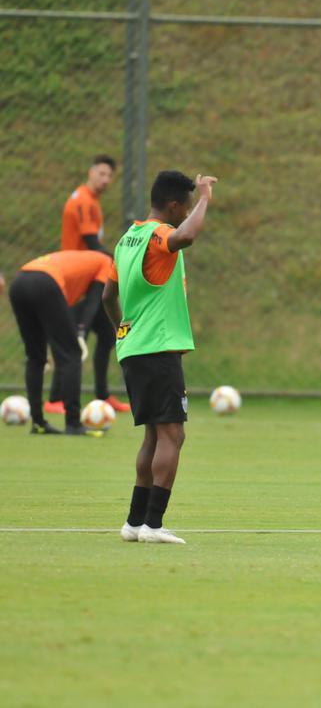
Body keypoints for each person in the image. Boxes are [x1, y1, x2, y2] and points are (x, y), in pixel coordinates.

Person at [103, 170, 217, 545]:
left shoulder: (126, 240)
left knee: (153, 436)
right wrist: (205, 198)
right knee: (173, 434)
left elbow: (108, 297)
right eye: (185, 206)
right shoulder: (158, 235)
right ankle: (153, 525)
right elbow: (186, 235)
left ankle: (135, 523)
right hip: (158, 346)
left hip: (134, 347)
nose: (187, 213)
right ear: (173, 205)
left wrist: (123, 331)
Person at [48, 154, 128, 415]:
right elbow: (91, 242)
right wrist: (120, 259)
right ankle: (54, 399)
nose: (105, 180)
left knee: (107, 335)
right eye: (101, 173)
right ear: (91, 172)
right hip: (74, 280)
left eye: (109, 176)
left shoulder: (92, 201)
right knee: (71, 340)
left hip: (89, 279)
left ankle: (103, 397)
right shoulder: (82, 200)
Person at [7, 250, 112, 435]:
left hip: (19, 281)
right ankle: (73, 424)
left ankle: (38, 423)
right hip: (45, 282)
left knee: (35, 357)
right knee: (71, 355)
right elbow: (94, 302)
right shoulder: (107, 262)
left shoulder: (83, 258)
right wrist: (80, 332)